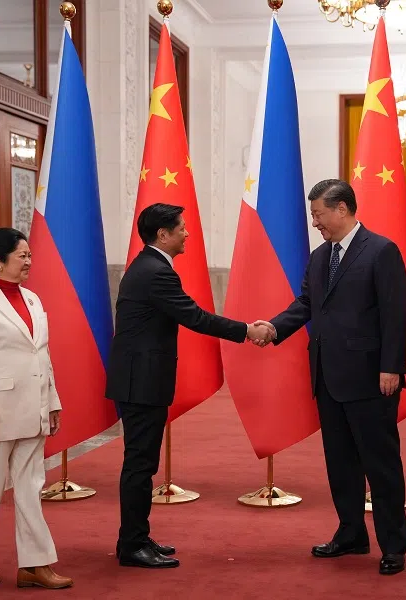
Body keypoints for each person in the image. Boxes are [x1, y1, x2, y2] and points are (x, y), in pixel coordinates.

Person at [106, 203, 273, 569]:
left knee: (142, 462)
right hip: (141, 382)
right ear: (162, 234)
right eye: (181, 228)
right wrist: (247, 330)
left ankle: (135, 537)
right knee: (140, 465)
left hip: (139, 378)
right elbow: (195, 317)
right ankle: (132, 545)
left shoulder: (148, 266)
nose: (186, 233)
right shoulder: (156, 272)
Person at [256, 179, 406, 575]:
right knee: (340, 462)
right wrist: (274, 327)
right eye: (313, 216)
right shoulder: (321, 255)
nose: (315, 223)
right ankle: (351, 533)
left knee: (380, 465)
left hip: (371, 378)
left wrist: (391, 366)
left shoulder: (381, 251)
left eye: (319, 214)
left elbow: (395, 313)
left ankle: (393, 546)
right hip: (327, 375)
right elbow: (308, 303)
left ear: (342, 209)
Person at [0, 227, 72, 589]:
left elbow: (43, 355)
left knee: (31, 489)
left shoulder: (33, 299)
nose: (28, 262)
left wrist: (52, 402)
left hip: (33, 409)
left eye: (29, 255)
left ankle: (35, 565)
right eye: (22, 256)